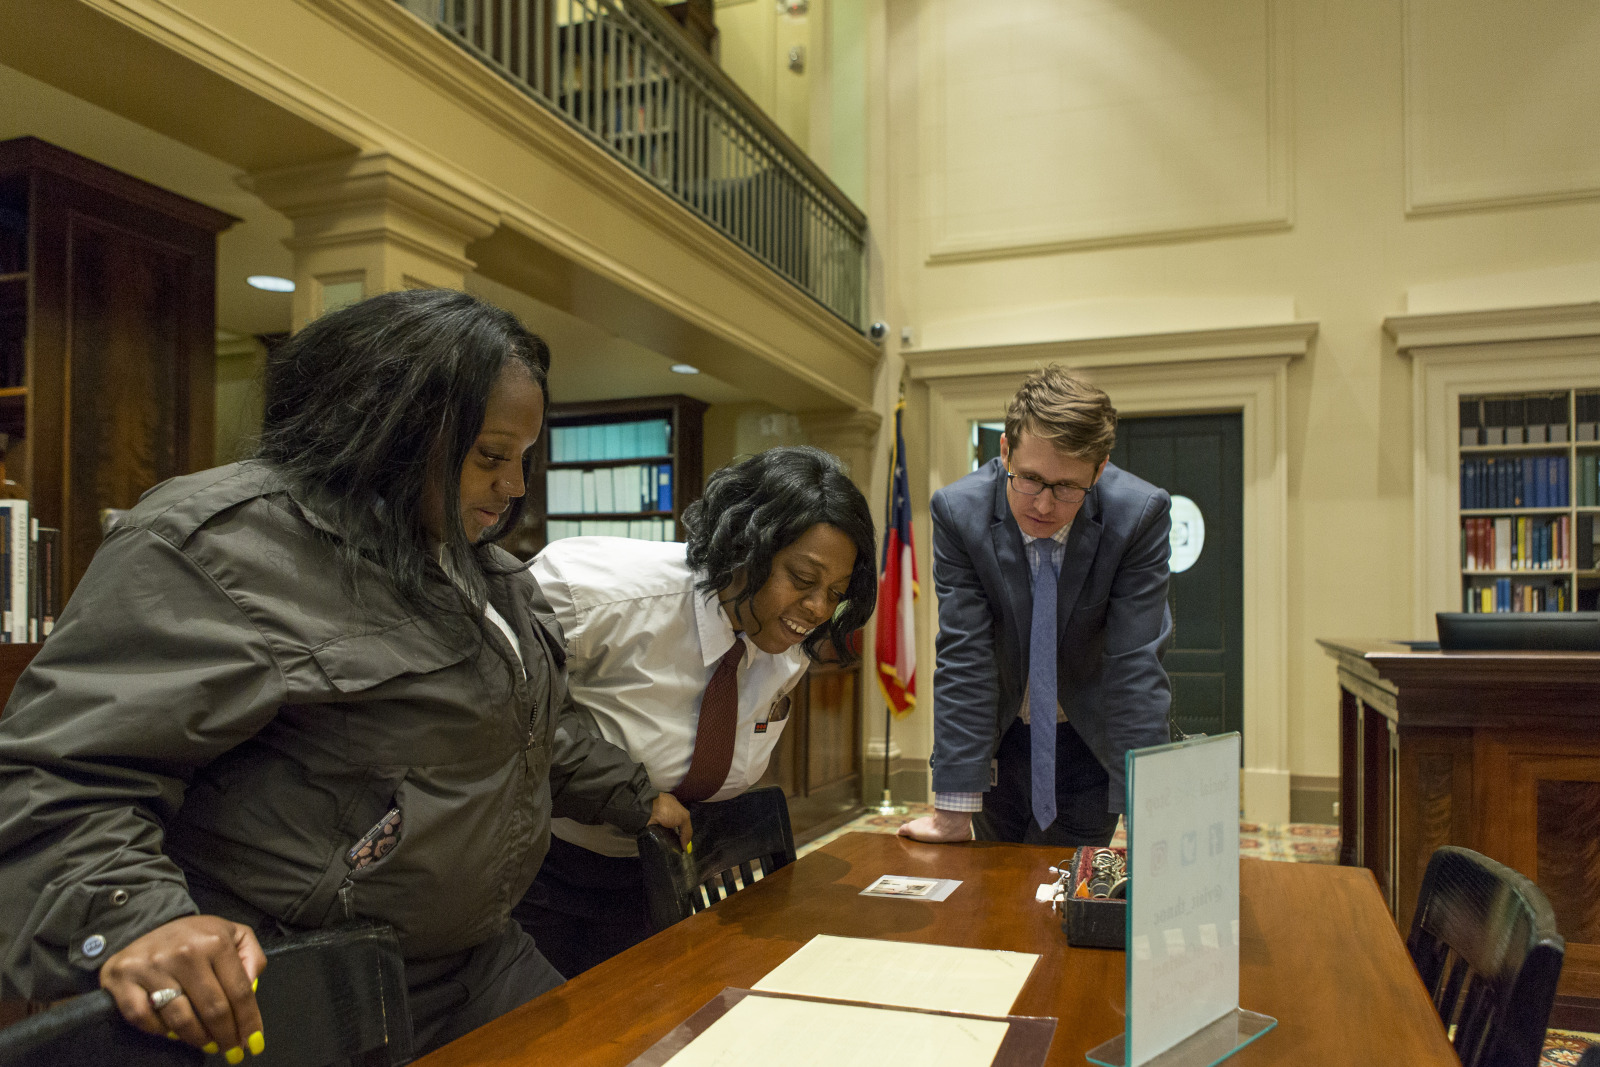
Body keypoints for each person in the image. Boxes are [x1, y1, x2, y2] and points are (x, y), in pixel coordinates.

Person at [0, 289, 689, 1059]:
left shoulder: (482, 569)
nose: (515, 487)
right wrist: (138, 919)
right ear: (389, 428)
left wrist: (631, 793)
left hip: (477, 963)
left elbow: (525, 728)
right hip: (305, 984)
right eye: (490, 456)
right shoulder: (219, 546)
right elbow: (61, 776)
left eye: (524, 459)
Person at [513, 446, 877, 976]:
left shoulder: (785, 647)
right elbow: (508, 709)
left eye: (835, 593)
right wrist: (629, 793)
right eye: (802, 579)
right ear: (744, 548)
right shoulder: (595, 593)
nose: (819, 609)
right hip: (545, 871)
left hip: (662, 876)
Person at [900, 365, 1171, 847]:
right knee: (993, 901)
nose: (1044, 505)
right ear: (1005, 450)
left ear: (1100, 469)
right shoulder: (959, 513)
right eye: (1029, 479)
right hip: (999, 740)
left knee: (1070, 901)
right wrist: (953, 809)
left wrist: (1150, 810)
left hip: (1089, 741)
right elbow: (966, 656)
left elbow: (1134, 668)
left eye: (1067, 487)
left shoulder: (1138, 516)